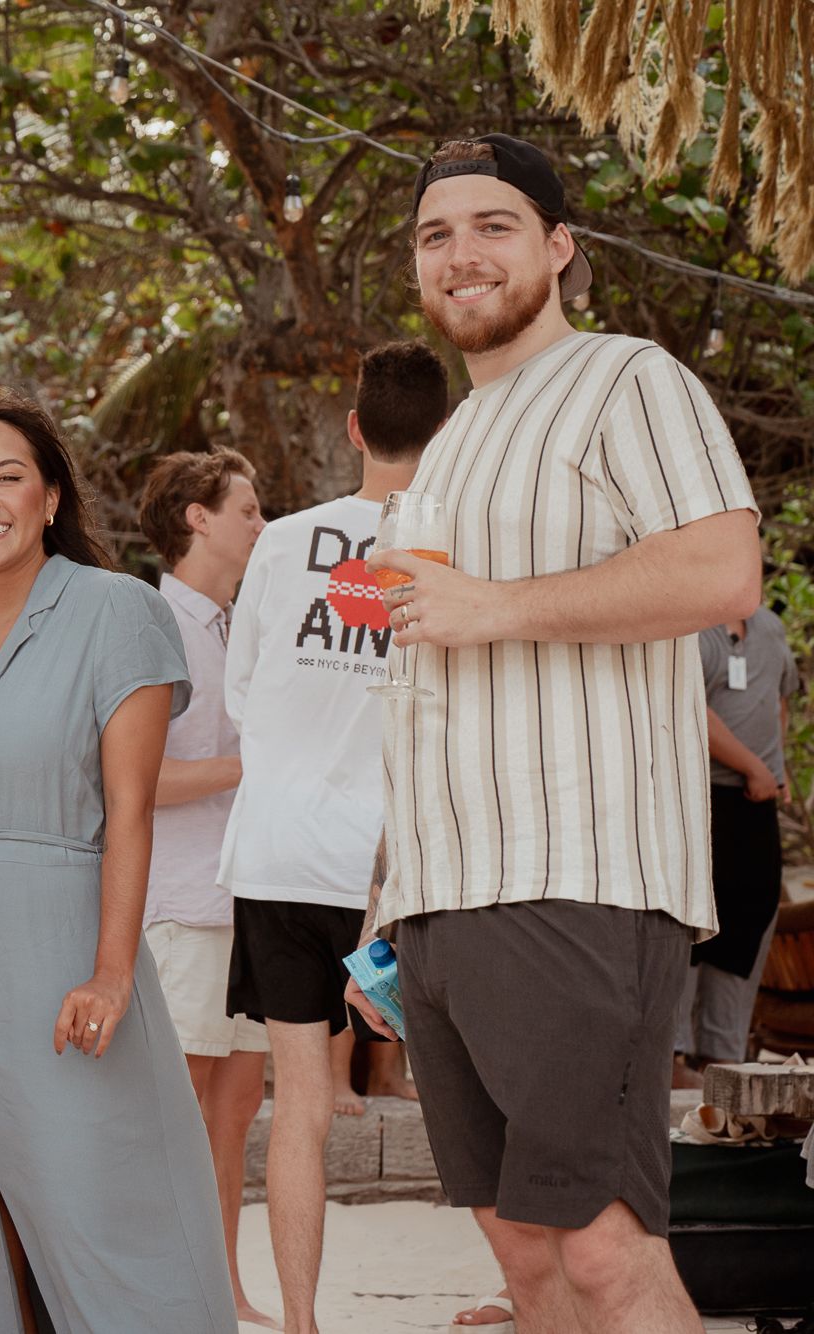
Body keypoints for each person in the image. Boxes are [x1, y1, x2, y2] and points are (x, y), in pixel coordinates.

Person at [352, 134, 760, 1334]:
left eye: (493, 226)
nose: (461, 254)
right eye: (435, 234)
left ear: (558, 246)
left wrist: (497, 606)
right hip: (443, 901)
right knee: (523, 1259)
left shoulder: (627, 378)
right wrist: (391, 904)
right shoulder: (451, 441)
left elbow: (721, 569)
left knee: (599, 1248)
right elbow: (424, 688)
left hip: (575, 879)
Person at [0, 378, 235, 1332]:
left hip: (54, 955)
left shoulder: (115, 611)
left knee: (95, 1211)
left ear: (51, 495)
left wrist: (111, 971)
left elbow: (130, 809)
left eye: (7, 476)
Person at [214, 339, 446, 1334]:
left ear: (353, 427)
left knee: (300, 1104)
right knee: (466, 1088)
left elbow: (240, 694)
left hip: (276, 853)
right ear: (446, 433)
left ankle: (301, 1321)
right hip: (390, 870)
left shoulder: (282, 541)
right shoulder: (456, 553)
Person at [135, 446, 275, 1328]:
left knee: (236, 1110)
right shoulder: (154, 624)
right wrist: (255, 764)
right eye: (249, 511)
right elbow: (137, 779)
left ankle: (221, 1292)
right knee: (174, 1111)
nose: (263, 525)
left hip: (249, 898)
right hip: (182, 904)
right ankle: (158, 1296)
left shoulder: (240, 625)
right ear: (198, 517)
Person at [673, 594, 795, 1081]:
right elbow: (690, 706)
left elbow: (777, 701)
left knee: (749, 917)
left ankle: (722, 1053)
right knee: (687, 925)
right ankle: (673, 1057)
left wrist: (775, 768)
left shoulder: (770, 628)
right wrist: (754, 766)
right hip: (698, 797)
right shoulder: (687, 624)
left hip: (756, 801)